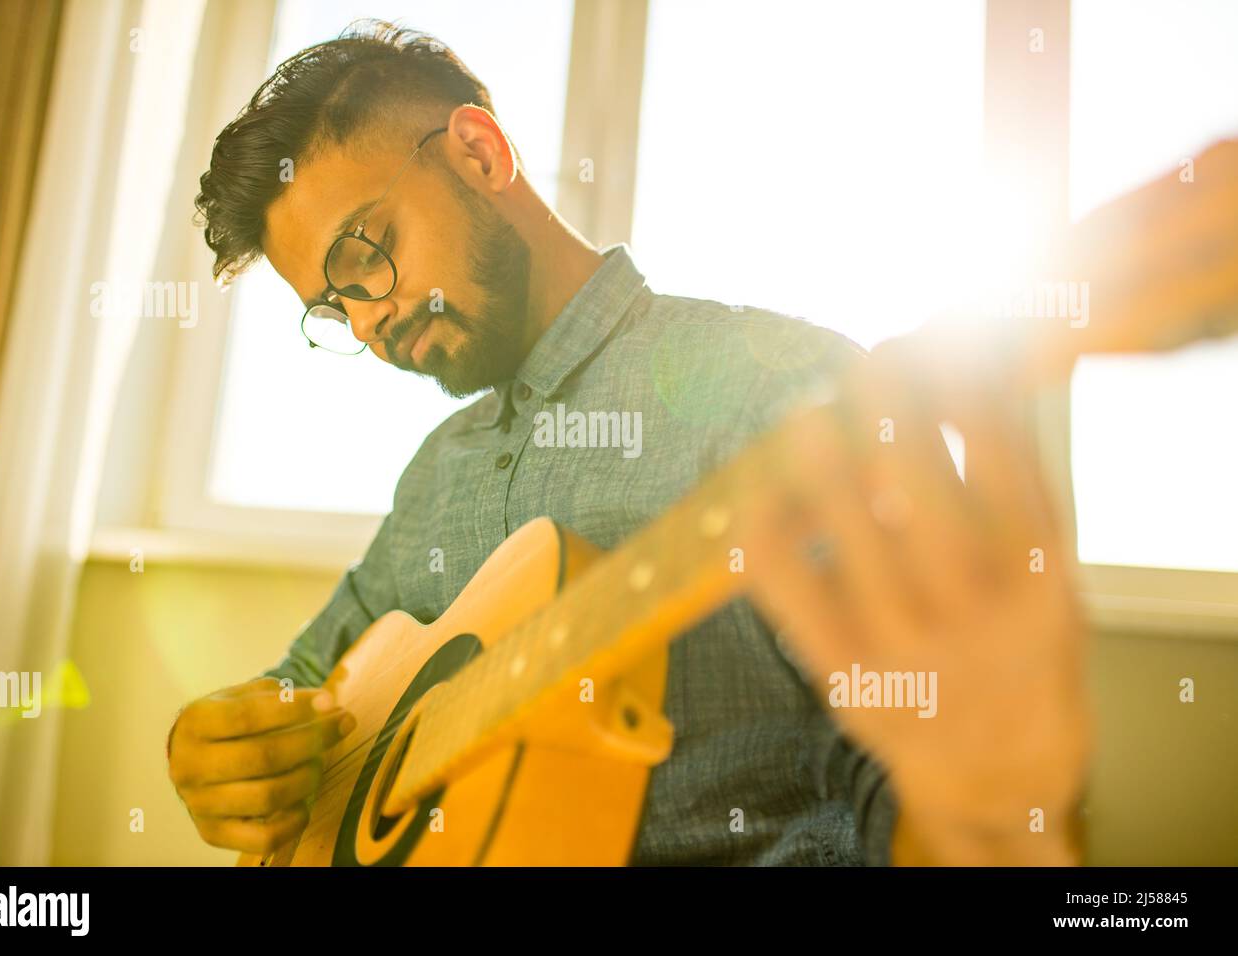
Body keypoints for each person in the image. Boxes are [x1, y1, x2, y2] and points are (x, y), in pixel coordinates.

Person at [167, 19, 1088, 865]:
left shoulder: (779, 386)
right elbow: (303, 694)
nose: (367, 325)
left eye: (364, 256)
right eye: (332, 310)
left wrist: (990, 815)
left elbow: (907, 774)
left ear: (480, 154)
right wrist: (212, 747)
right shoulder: (433, 479)